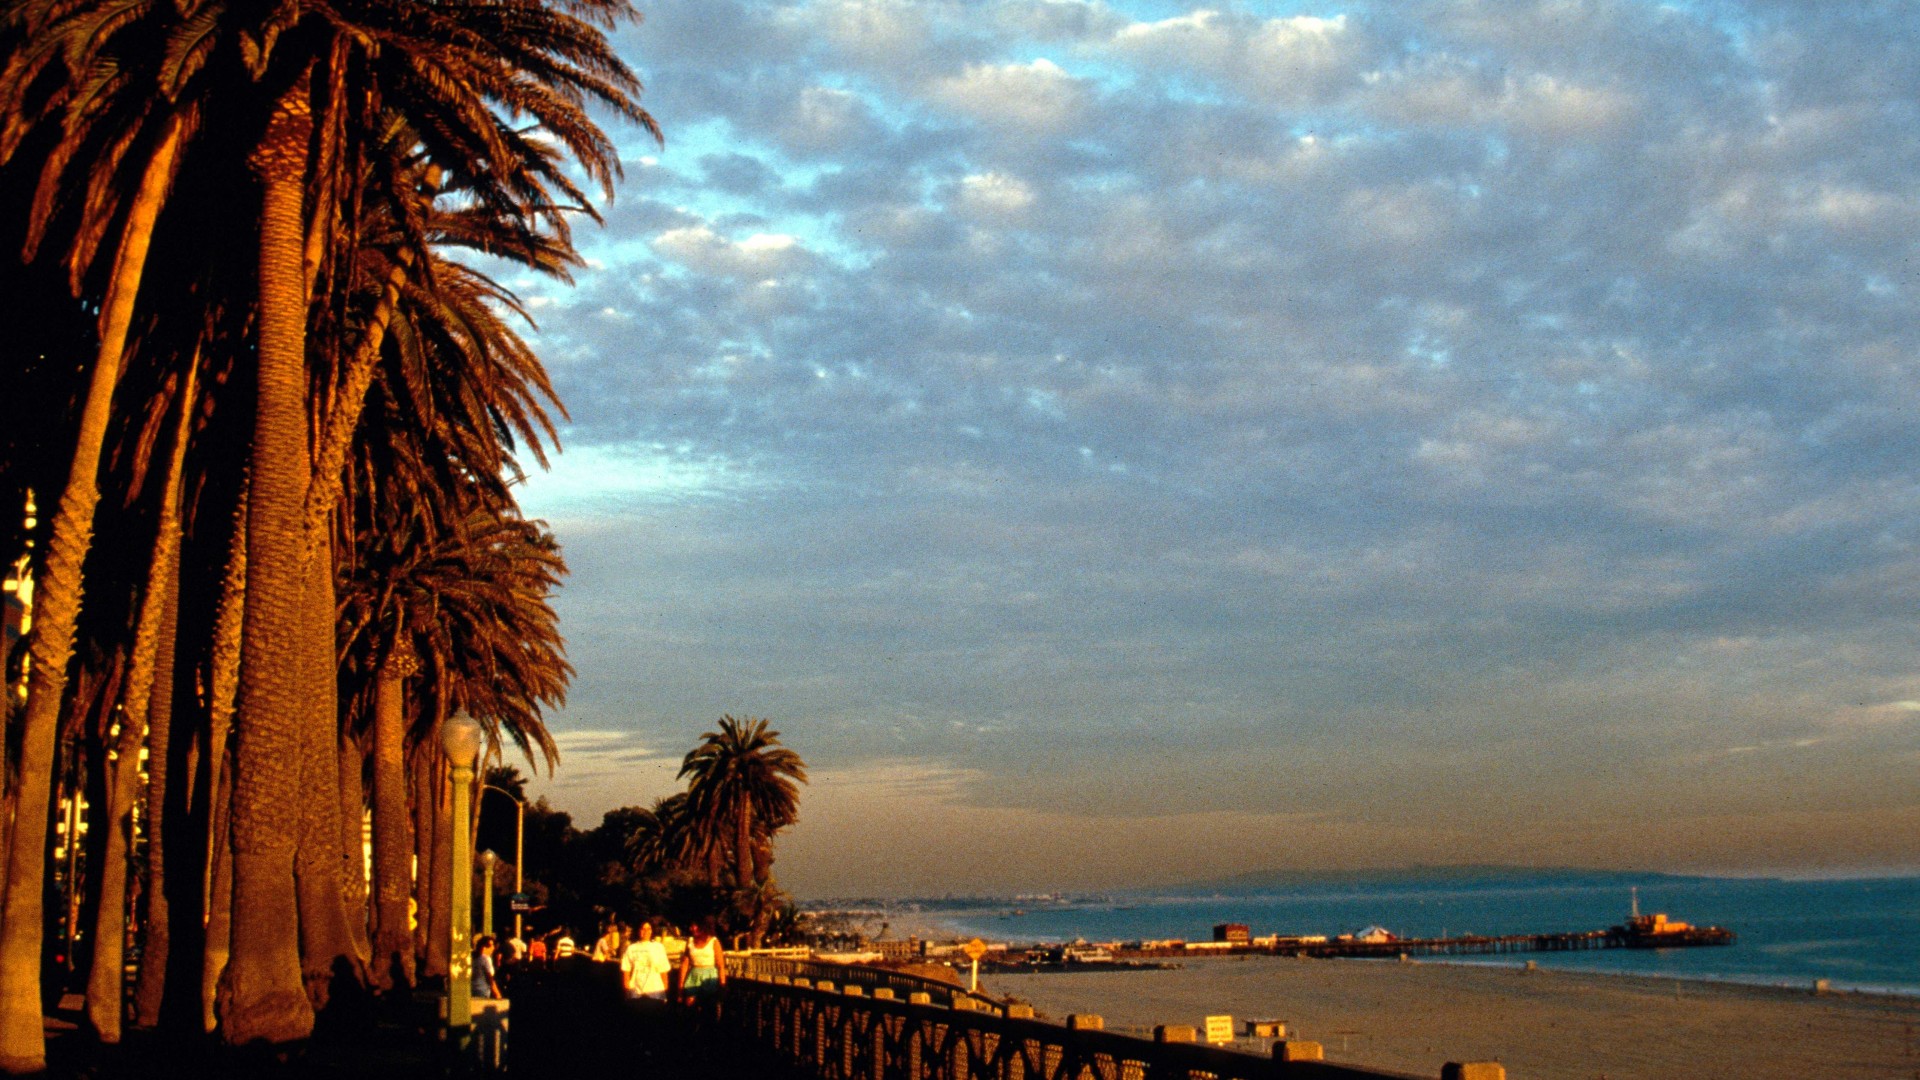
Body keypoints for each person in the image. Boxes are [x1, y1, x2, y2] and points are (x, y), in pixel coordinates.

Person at [620, 921, 671, 1000]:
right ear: (638, 930)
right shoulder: (631, 948)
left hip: (655, 993)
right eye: (643, 929)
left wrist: (664, 991)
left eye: (648, 929)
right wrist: (627, 990)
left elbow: (663, 970)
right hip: (636, 993)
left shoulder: (658, 947)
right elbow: (626, 970)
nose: (646, 931)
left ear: (652, 930)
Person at [678, 921, 726, 1005]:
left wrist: (722, 985)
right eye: (691, 926)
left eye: (694, 926)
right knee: (690, 1004)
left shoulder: (713, 941)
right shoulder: (690, 941)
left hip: (709, 977)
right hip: (694, 976)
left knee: (708, 1005)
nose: (691, 929)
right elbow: (685, 964)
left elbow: (721, 965)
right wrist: (680, 986)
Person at [472, 935, 500, 1000]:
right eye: (491, 946)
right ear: (484, 947)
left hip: (473, 988)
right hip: (482, 990)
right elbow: (489, 978)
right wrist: (497, 993)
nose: (493, 948)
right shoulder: (486, 959)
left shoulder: (475, 959)